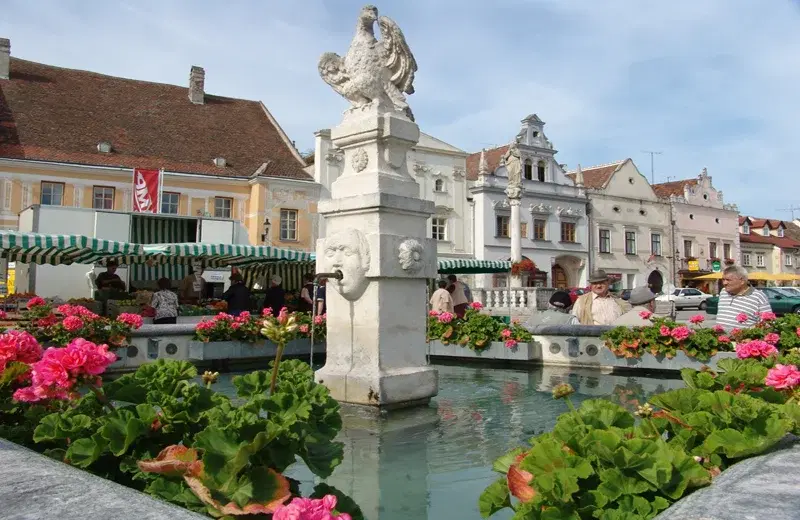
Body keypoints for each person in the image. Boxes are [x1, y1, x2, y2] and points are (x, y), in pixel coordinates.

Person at [716, 265, 771, 330]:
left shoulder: (758, 296)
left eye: (728, 280)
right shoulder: (723, 292)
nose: (724, 283)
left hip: (744, 336)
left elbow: (768, 323)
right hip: (719, 336)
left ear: (742, 281)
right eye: (723, 279)